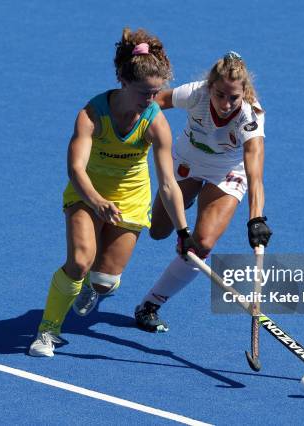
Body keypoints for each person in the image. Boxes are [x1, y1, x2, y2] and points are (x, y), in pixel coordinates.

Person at [29, 28, 197, 357]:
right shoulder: (91, 115)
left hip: (130, 200)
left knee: (105, 280)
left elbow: (166, 183)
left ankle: (93, 286)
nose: (150, 101)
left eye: (155, 93)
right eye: (144, 93)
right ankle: (48, 331)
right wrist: (96, 201)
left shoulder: (155, 122)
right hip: (87, 193)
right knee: (79, 261)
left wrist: (184, 231)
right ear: (123, 79)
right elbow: (76, 169)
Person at [133, 51, 273, 332]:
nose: (225, 103)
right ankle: (190, 195)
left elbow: (255, 176)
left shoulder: (250, 117)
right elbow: (156, 102)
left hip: (226, 174)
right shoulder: (195, 94)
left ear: (243, 92)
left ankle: (150, 304)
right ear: (210, 87)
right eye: (220, 95)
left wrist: (256, 219)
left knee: (201, 246)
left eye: (233, 97)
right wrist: (139, 133)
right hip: (186, 164)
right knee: (158, 231)